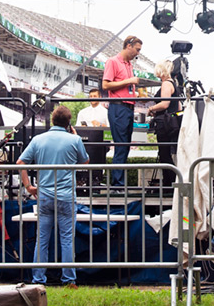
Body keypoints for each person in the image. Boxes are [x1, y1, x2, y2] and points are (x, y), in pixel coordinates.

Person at [17, 105, 89, 287]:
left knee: (42, 239)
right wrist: (75, 135)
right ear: (68, 123)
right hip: (65, 196)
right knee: (67, 239)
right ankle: (69, 279)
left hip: (44, 195)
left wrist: (28, 186)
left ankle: (38, 279)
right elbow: (85, 161)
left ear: (51, 121)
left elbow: (21, 162)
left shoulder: (38, 139)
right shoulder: (74, 139)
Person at [102, 35, 142, 186]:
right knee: (121, 144)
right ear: (128, 46)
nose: (137, 53)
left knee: (124, 145)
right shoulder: (113, 61)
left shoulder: (129, 64)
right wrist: (129, 81)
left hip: (127, 106)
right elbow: (105, 85)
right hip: (118, 106)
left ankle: (119, 182)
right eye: (137, 50)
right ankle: (117, 183)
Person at [145, 60, 181, 187]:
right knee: (167, 153)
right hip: (171, 121)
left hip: (164, 122)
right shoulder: (173, 84)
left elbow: (165, 103)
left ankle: (169, 183)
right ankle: (171, 182)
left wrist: (151, 109)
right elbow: (178, 106)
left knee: (164, 154)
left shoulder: (166, 84)